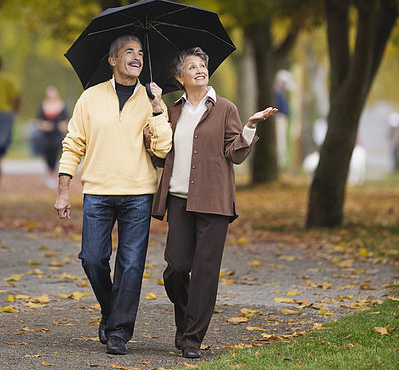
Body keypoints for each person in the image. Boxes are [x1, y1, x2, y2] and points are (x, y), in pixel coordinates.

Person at [150, 47, 278, 359]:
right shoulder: (172, 111)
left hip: (214, 203)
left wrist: (250, 125)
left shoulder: (225, 108)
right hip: (179, 201)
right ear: (180, 78)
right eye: (191, 67)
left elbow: (236, 154)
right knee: (175, 269)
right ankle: (186, 319)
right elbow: (158, 153)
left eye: (202, 65)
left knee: (206, 272)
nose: (199, 70)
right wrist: (155, 112)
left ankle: (192, 338)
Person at [54, 35, 172, 356]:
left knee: (131, 265)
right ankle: (111, 311)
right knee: (92, 258)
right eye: (129, 52)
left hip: (138, 192)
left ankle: (119, 331)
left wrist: (159, 111)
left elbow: (163, 148)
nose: (137, 57)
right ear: (112, 59)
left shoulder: (151, 100)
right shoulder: (90, 98)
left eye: (140, 53)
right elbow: (73, 144)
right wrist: (64, 191)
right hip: (98, 191)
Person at [36, 85, 69, 190]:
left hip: (57, 135)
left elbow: (66, 121)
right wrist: (44, 125)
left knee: (55, 154)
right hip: (46, 135)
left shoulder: (62, 106)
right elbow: (38, 121)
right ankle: (48, 173)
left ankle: (52, 175)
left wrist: (62, 126)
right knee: (47, 153)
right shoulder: (43, 105)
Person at [0, 56, 21, 180]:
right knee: (2, 144)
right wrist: (14, 113)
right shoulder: (9, 80)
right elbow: (17, 98)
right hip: (6, 114)